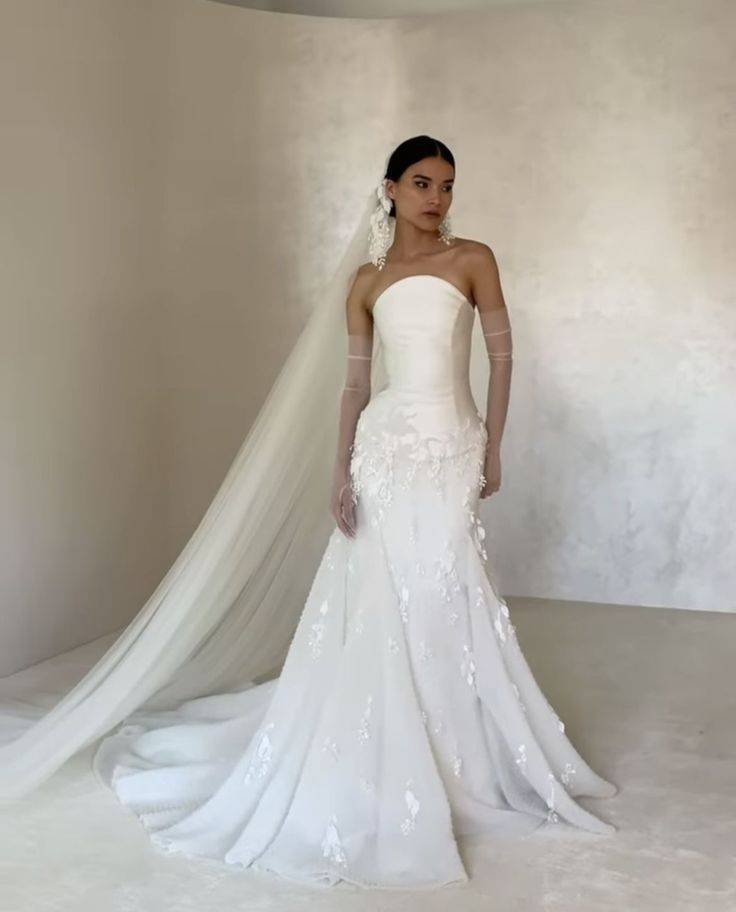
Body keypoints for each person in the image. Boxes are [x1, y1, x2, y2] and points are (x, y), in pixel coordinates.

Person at [89, 136, 617, 889]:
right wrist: (341, 468)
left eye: (448, 185)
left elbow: (503, 359)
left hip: (450, 446)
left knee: (442, 593)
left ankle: (455, 754)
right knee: (380, 597)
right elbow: (354, 388)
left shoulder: (473, 260)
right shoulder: (366, 282)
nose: (438, 198)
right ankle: (385, 755)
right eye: (423, 182)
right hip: (384, 451)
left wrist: (496, 445)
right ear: (391, 189)